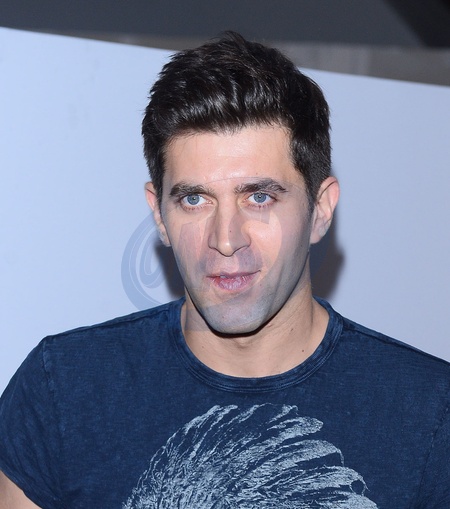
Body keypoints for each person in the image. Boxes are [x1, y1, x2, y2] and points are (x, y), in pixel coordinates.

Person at [0, 32, 449, 509]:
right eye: (195, 199)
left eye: (260, 197)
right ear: (159, 214)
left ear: (320, 209)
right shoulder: (63, 391)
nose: (226, 239)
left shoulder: (429, 413)